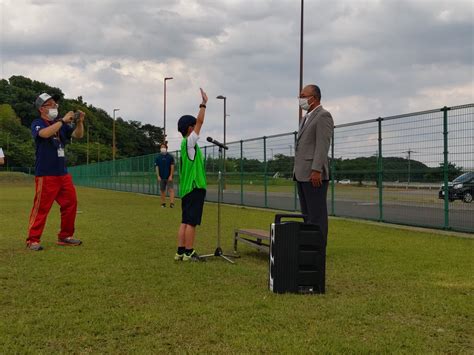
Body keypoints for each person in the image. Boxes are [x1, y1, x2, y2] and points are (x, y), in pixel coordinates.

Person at [26, 93, 85, 251]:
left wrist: (79, 122)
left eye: (55, 104)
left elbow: (78, 135)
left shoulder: (61, 125)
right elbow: (44, 134)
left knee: (70, 204)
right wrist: (62, 121)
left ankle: (65, 236)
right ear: (41, 108)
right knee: (41, 208)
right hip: (46, 174)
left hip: (62, 174)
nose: (55, 107)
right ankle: (33, 240)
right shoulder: (38, 122)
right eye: (51, 104)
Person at [294, 84, 334, 245]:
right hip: (301, 173)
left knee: (317, 214)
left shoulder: (323, 116)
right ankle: (309, 244)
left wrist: (316, 169)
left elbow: (322, 145)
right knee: (307, 213)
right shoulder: (305, 118)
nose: (301, 99)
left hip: (313, 174)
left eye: (303, 96)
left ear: (314, 98)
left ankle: (319, 246)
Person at [174, 88, 208, 262]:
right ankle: (189, 251)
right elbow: (200, 121)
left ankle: (180, 251)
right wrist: (203, 104)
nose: (197, 128)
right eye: (194, 127)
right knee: (191, 222)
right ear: (190, 128)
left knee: (185, 221)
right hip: (194, 188)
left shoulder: (183, 145)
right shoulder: (189, 142)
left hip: (187, 189)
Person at [155, 142, 175, 208]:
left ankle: (172, 203)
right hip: (161, 177)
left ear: (166, 148)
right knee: (162, 190)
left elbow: (172, 166)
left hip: (169, 177)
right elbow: (157, 167)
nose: (162, 148)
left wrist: (171, 175)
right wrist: (158, 176)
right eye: (161, 147)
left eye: (164, 147)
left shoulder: (170, 157)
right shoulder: (158, 157)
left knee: (171, 190)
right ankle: (163, 203)